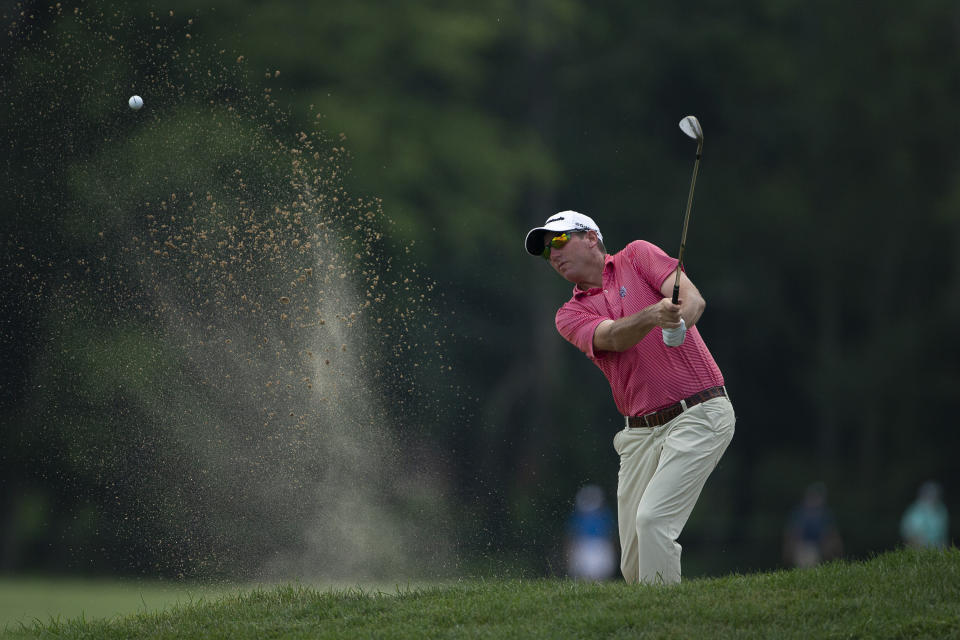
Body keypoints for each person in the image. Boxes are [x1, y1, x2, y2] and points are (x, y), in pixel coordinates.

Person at [524, 210, 736, 585]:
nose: (552, 255)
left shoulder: (638, 256)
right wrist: (654, 316)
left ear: (591, 237)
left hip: (699, 412)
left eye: (557, 241)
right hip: (639, 435)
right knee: (634, 565)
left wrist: (679, 321)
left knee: (653, 521)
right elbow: (614, 338)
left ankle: (667, 625)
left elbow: (693, 300)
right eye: (545, 252)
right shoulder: (569, 314)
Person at [782, 482, 843, 568]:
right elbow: (792, 534)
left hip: (820, 547)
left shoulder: (825, 515)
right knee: (806, 555)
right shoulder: (799, 514)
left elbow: (832, 534)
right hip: (802, 547)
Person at [565, 484, 617, 580]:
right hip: (584, 545)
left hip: (599, 546)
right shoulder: (579, 515)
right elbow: (572, 536)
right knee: (586, 575)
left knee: (599, 574)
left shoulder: (603, 514)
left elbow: (610, 534)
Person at [900, 481, 949, 549]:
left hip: (937, 548)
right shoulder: (916, 510)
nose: (932, 498)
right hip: (920, 548)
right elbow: (911, 534)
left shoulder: (941, 510)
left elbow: (943, 535)